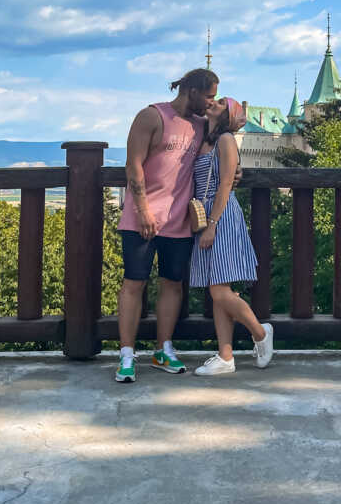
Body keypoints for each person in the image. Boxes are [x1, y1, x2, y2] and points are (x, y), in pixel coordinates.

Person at [115, 68, 218, 383]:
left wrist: (235, 171)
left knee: (172, 283)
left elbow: (219, 150)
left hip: (179, 219)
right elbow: (133, 165)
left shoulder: (201, 126)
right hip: (141, 217)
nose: (211, 103)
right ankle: (127, 355)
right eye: (209, 96)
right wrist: (143, 209)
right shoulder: (151, 116)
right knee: (135, 282)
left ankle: (163, 349)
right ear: (192, 91)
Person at [190, 96, 274, 376]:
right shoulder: (205, 138)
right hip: (207, 215)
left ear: (227, 115)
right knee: (218, 289)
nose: (213, 102)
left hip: (221, 215)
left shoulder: (225, 140)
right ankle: (225, 356)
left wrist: (212, 224)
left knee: (219, 290)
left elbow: (226, 183)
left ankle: (261, 333)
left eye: (221, 103)